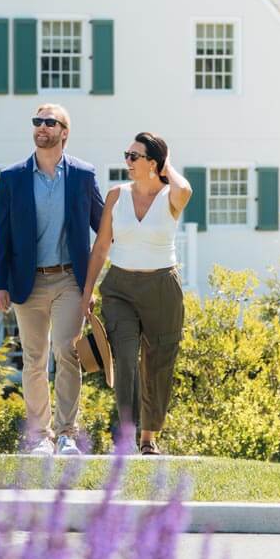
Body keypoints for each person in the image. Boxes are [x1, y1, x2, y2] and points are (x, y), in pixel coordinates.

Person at [0, 104, 104, 456]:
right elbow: (1, 234)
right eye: (37, 122)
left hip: (70, 279)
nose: (41, 127)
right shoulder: (12, 177)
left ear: (64, 131)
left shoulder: (83, 176)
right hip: (28, 282)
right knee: (34, 359)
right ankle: (40, 436)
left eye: (49, 122)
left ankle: (68, 432)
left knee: (67, 353)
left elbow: (103, 227)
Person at [81, 133, 192, 455]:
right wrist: (88, 290)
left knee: (158, 362)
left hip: (162, 287)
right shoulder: (117, 195)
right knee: (126, 358)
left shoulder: (172, 196)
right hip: (120, 289)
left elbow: (185, 188)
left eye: (134, 156)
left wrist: (167, 163)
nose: (127, 162)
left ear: (153, 163)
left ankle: (148, 438)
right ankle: (126, 437)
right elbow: (101, 246)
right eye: (126, 155)